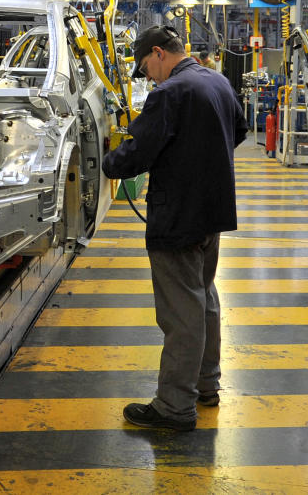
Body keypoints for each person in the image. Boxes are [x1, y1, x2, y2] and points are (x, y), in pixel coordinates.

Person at [102, 24, 248, 432]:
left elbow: (140, 151)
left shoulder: (169, 93)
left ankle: (174, 406)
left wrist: (110, 162)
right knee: (204, 296)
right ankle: (207, 386)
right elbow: (238, 131)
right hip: (212, 210)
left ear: (158, 53)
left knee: (181, 311)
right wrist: (199, 160)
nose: (147, 75)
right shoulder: (216, 81)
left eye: (145, 66)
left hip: (178, 215)